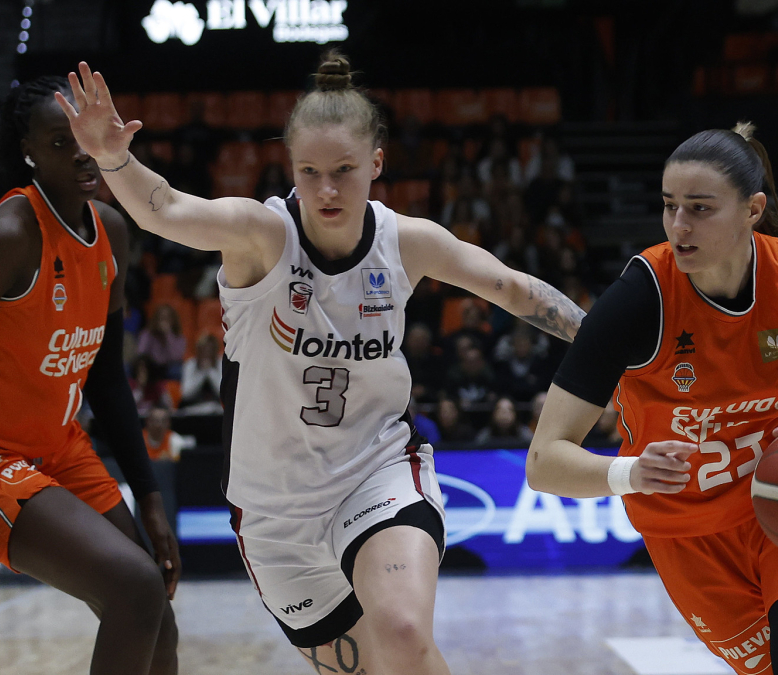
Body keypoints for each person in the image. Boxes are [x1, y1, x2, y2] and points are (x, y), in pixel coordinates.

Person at [56, 54, 584, 674]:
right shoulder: (261, 236)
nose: (327, 190)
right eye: (310, 172)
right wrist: (114, 158)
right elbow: (166, 208)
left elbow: (514, 289)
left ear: (377, 164)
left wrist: (613, 354)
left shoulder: (405, 242)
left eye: (344, 171)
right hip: (274, 510)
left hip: (376, 470)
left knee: (403, 630)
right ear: (291, 170)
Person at [527, 123, 778, 675]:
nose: (679, 225)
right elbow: (544, 463)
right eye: (669, 206)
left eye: (700, 209)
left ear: (752, 210)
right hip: (687, 533)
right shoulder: (639, 299)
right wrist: (630, 473)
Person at [0, 76, 180, 675]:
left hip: (56, 446)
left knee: (154, 605)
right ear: (28, 150)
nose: (81, 152)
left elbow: (106, 377)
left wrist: (151, 497)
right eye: (59, 142)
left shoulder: (112, 230)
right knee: (135, 589)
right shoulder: (8, 235)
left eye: (84, 135)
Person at [138, 304, 187, 379]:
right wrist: (151, 334)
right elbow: (141, 352)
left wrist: (167, 335)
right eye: (161, 318)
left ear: (173, 320)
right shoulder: (147, 334)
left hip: (168, 367)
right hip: (151, 367)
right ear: (156, 319)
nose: (163, 322)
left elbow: (176, 357)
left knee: (178, 370)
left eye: (167, 319)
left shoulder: (179, 338)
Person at [179, 332, 223, 414]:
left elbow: (222, 393)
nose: (207, 353)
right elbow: (186, 394)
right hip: (192, 409)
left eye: (210, 350)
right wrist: (202, 373)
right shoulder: (190, 364)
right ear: (198, 350)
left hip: (217, 410)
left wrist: (210, 372)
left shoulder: (221, 363)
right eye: (204, 349)